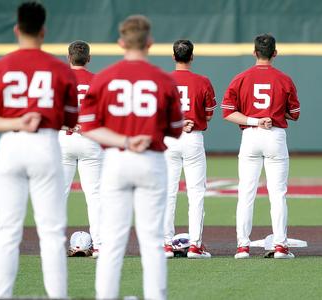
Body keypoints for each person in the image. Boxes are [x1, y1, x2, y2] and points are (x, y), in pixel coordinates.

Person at [79, 15, 183, 299]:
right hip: (151, 160)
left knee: (112, 241)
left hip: (117, 159)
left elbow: (88, 127)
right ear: (150, 42)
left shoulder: (104, 78)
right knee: (152, 241)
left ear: (121, 42)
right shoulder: (163, 79)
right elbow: (175, 130)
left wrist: (124, 139)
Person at [0, 2, 77, 298]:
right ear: (44, 31)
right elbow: (70, 120)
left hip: (11, 144)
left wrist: (16, 120)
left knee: (6, 233)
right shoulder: (60, 69)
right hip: (46, 144)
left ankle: (1, 296)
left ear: (16, 29)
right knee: (50, 232)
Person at [222, 33, 300, 259]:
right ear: (274, 53)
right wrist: (272, 113)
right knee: (278, 194)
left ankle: (242, 247)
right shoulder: (284, 79)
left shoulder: (241, 77)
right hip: (275, 135)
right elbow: (294, 114)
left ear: (255, 53)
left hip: (250, 136)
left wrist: (255, 119)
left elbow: (228, 113)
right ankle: (280, 246)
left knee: (246, 193)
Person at [163, 40, 216, 259]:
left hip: (169, 139)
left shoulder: (163, 81)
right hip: (193, 138)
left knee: (167, 193)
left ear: (174, 57)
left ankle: (166, 244)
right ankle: (195, 245)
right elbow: (209, 114)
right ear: (191, 57)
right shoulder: (202, 81)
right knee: (196, 194)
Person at [59, 40, 102, 257]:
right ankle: (100, 245)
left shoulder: (59, 79)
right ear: (89, 58)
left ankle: (53, 244)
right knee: (94, 195)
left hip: (63, 139)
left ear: (68, 58)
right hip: (89, 139)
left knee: (58, 194)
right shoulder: (97, 80)